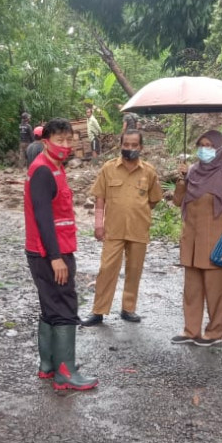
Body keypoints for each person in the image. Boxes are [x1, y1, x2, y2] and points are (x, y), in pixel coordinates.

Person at [25, 118, 98, 390]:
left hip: (51, 249)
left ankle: (49, 364)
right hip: (50, 253)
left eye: (69, 140)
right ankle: (65, 373)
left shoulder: (54, 167)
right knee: (65, 307)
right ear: (46, 142)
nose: (65, 146)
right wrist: (55, 257)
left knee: (51, 305)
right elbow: (43, 217)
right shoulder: (44, 170)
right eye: (60, 140)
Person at [81, 130, 162, 326]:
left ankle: (128, 309)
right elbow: (100, 199)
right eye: (127, 144)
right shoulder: (108, 169)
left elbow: (153, 200)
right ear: (121, 145)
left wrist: (138, 211)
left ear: (141, 147)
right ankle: (98, 311)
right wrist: (99, 224)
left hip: (138, 229)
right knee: (107, 268)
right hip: (113, 229)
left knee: (134, 270)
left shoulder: (149, 171)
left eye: (135, 145)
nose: (130, 148)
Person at [171, 130, 222, 347]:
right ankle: (191, 330)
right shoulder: (191, 171)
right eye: (201, 144)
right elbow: (177, 201)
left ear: (219, 149)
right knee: (191, 290)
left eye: (209, 145)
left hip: (214, 243)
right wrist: (181, 180)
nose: (204, 149)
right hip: (191, 240)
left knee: (215, 291)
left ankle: (214, 332)